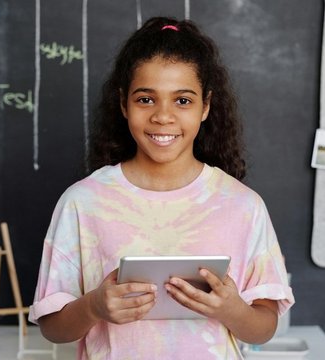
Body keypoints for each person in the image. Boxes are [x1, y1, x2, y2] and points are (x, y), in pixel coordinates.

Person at [29, 16, 294, 359]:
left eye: (182, 100)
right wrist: (94, 306)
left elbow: (264, 326)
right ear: (124, 104)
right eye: (146, 99)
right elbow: (53, 327)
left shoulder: (243, 206)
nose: (163, 116)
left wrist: (232, 309)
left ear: (206, 106)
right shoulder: (83, 202)